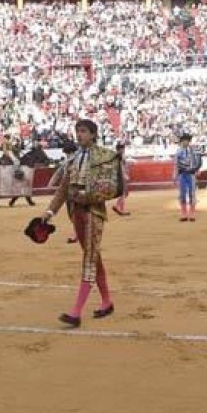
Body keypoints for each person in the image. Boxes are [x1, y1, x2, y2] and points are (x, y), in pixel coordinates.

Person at [41, 119, 123, 328]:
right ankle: (107, 301)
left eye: (84, 131)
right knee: (94, 257)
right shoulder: (72, 160)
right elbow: (63, 190)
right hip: (76, 214)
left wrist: (86, 196)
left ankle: (76, 312)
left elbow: (111, 188)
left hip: (93, 213)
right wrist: (50, 211)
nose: (79, 135)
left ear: (93, 134)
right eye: (77, 131)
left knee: (89, 258)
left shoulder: (106, 156)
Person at [173, 133, 202, 222]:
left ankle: (191, 214)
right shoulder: (178, 151)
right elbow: (176, 164)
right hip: (182, 174)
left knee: (192, 194)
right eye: (183, 141)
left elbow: (198, 161)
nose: (185, 142)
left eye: (187, 140)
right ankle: (184, 214)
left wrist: (197, 170)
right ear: (181, 142)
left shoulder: (194, 151)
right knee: (182, 194)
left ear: (189, 141)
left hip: (191, 174)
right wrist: (175, 174)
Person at [111, 143, 133, 216]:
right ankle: (119, 208)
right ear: (120, 149)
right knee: (124, 193)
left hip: (118, 176)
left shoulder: (115, 156)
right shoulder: (120, 156)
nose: (124, 150)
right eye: (123, 148)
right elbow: (121, 167)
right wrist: (125, 175)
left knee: (124, 193)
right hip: (121, 176)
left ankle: (119, 208)